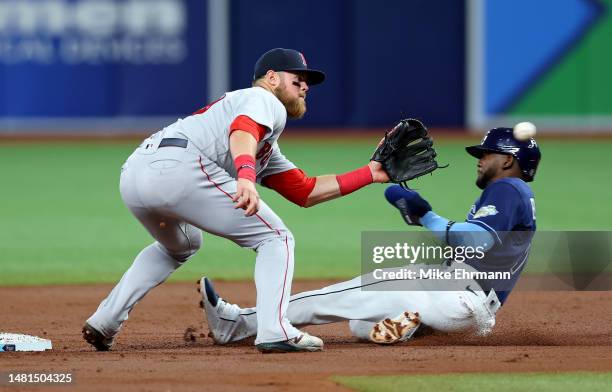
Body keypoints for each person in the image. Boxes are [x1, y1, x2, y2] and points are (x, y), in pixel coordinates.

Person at [82, 48, 390, 353]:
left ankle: (105, 320)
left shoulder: (263, 140)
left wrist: (370, 173)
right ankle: (275, 329)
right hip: (181, 167)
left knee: (181, 245)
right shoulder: (263, 99)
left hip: (136, 173)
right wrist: (245, 176)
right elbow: (243, 129)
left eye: (307, 81)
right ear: (271, 78)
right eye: (298, 78)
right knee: (276, 238)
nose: (305, 86)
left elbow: (305, 191)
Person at [197, 127, 541, 345]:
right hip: (466, 302)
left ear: (510, 161)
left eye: (487, 154)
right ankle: (408, 323)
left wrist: (426, 215)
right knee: (360, 324)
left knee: (332, 297)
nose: (479, 160)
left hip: (451, 293)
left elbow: (475, 241)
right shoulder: (514, 196)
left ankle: (236, 324)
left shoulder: (509, 188)